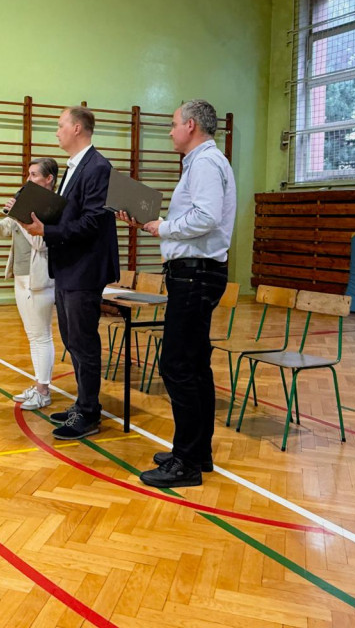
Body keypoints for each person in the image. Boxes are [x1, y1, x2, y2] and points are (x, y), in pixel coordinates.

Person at [121, 99, 236, 489]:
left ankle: (186, 461)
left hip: (196, 275)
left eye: (173, 125)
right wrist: (153, 224)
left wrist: (163, 227)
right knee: (193, 364)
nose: (169, 132)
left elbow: (206, 216)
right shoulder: (202, 162)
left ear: (191, 125)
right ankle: (196, 451)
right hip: (195, 273)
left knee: (177, 365)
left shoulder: (204, 163)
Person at [21, 106, 118, 440]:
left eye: (61, 125)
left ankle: (90, 412)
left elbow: (93, 222)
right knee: (73, 341)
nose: (57, 131)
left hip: (84, 268)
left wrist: (45, 232)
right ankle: (82, 402)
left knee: (83, 341)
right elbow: (68, 215)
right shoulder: (76, 167)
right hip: (68, 267)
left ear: (78, 128)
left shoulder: (98, 167)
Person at [0, 158, 58, 410]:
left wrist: (21, 217)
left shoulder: (53, 208)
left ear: (49, 179)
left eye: (35, 175)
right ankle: (38, 386)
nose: (29, 179)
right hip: (21, 276)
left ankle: (44, 391)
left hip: (40, 280)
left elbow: (41, 243)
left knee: (41, 336)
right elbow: (5, 230)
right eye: (28, 174)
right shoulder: (27, 204)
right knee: (32, 335)